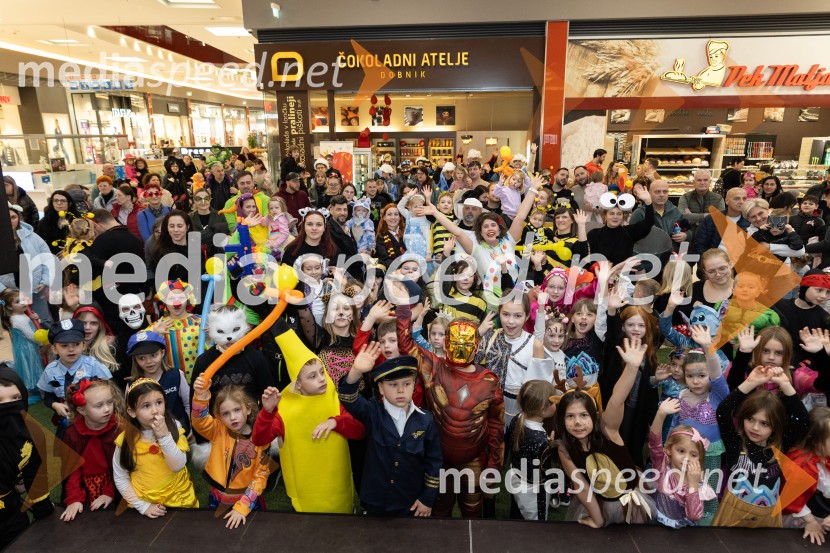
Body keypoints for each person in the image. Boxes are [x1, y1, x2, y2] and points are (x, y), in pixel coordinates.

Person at [394, 295, 504, 518]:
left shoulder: (489, 382)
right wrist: (403, 306)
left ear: (478, 343)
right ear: (446, 342)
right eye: (455, 342)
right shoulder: (434, 368)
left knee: (472, 510)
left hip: (474, 458)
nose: (461, 347)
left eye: (466, 342)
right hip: (439, 457)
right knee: (439, 508)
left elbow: (495, 423)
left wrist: (494, 463)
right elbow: (406, 344)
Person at [251, 319, 364, 513]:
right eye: (312, 376)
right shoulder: (284, 409)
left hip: (338, 486)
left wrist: (335, 422)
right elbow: (259, 439)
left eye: (322, 372)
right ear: (298, 383)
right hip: (306, 492)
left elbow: (359, 432)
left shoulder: (331, 396)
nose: (322, 379)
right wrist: (268, 412)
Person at [555, 337, 656, 527]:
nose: (577, 422)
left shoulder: (608, 429)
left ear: (594, 416)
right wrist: (598, 519)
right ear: (562, 420)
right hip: (600, 502)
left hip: (630, 500)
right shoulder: (565, 448)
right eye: (570, 417)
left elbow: (617, 399)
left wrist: (632, 368)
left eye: (584, 415)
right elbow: (582, 487)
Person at [339, 347, 443, 517]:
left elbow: (434, 462)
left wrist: (427, 498)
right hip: (376, 501)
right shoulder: (372, 412)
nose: (401, 390)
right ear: (380, 388)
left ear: (415, 386)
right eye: (393, 385)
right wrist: (355, 372)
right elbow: (348, 398)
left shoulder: (426, 420)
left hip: (410, 502)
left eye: (407, 384)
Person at [714, 366, 808, 527]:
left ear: (775, 426)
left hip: (767, 520)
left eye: (764, 423)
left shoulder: (779, 447)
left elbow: (803, 421)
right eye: (750, 419)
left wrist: (786, 386)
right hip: (731, 516)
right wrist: (750, 383)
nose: (755, 427)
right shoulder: (735, 443)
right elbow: (723, 412)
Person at [191, 377, 272, 529]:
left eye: (237, 410)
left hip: (248, 502)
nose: (233, 417)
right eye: (226, 414)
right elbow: (199, 422)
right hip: (217, 498)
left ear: (247, 409)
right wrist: (200, 397)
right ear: (219, 417)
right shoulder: (218, 430)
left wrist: (242, 507)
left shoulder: (261, 439)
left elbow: (260, 476)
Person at [113, 378, 199, 517]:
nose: (155, 411)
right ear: (132, 411)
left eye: (159, 403)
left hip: (179, 500)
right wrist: (142, 506)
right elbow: (120, 477)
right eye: (146, 406)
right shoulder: (125, 440)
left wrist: (164, 436)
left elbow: (177, 465)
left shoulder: (174, 427)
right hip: (145, 502)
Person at [0, 365, 53, 549]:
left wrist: (43, 511)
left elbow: (35, 473)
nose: (8, 405)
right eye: (0, 400)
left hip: (13, 515)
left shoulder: (31, 432)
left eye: (15, 398)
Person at [60, 379, 124, 522]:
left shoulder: (120, 429)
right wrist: (74, 498)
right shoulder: (72, 434)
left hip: (117, 485)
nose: (107, 409)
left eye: (109, 402)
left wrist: (110, 492)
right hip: (84, 490)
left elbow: (125, 467)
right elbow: (71, 470)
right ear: (82, 410)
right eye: (99, 405)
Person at [37, 319, 113, 436]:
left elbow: (110, 390)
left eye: (76, 344)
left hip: (93, 421)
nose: (71, 349)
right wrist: (55, 405)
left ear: (84, 345)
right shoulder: (50, 370)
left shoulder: (93, 366)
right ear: (54, 349)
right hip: (65, 422)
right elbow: (48, 396)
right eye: (64, 345)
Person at [648, 404, 715, 528]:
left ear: (699, 458)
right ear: (668, 449)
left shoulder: (698, 481)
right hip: (656, 524)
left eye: (693, 454)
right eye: (681, 451)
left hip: (682, 532)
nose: (686, 458)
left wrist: (693, 484)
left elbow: (694, 516)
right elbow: (654, 442)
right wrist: (660, 414)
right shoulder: (661, 467)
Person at [504, 379, 557, 521]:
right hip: (534, 492)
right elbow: (548, 472)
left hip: (515, 477)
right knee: (536, 526)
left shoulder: (517, 418)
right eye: (553, 402)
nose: (556, 404)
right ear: (542, 409)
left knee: (516, 513)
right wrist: (552, 447)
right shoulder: (541, 440)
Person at [86, 209, 146, 322]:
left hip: (109, 300)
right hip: (133, 295)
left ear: (96, 225)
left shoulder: (101, 241)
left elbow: (92, 271)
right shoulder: (135, 239)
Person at [128, 330, 191, 435]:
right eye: (142, 358)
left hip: (180, 433)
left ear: (162, 353)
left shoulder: (176, 375)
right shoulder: (132, 384)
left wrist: (192, 431)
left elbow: (189, 405)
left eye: (153, 355)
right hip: (148, 439)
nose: (148, 361)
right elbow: (131, 415)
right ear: (135, 359)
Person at [2, 202, 54, 327]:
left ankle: (48, 346)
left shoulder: (32, 237)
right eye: (5, 217)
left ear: (19, 218)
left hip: (35, 289)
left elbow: (47, 259)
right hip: (10, 294)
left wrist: (44, 281)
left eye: (13, 217)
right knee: (19, 326)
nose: (10, 221)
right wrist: (4, 290)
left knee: (44, 321)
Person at [784, 407, 830, 544]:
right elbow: (791, 497)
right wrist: (810, 521)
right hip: (800, 518)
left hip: (823, 517)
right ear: (815, 440)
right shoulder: (801, 463)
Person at [587, 183, 655, 265]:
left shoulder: (629, 232)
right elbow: (584, 255)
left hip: (622, 275)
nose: (615, 217)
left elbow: (649, 223)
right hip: (599, 276)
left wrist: (648, 202)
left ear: (623, 216)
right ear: (604, 216)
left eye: (619, 214)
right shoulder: (594, 234)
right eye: (611, 213)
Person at [0, 289, 45, 402]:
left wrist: (35, 318)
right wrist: (42, 343)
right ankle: (32, 389)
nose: (24, 302)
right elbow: (31, 335)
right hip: (27, 348)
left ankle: (31, 388)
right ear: (10, 307)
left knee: (26, 367)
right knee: (30, 367)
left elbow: (31, 326)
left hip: (22, 348)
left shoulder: (18, 317)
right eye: (18, 301)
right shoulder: (19, 319)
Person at [629, 179, 689, 252]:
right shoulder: (639, 213)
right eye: (657, 192)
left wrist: (686, 235)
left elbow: (687, 229)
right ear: (649, 193)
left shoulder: (675, 211)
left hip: (672, 256)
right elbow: (631, 239)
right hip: (650, 257)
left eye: (665, 192)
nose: (662, 195)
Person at [690, 187, 749, 255]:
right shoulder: (711, 219)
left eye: (744, 198)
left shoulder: (750, 221)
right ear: (726, 201)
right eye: (736, 198)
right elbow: (699, 244)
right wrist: (707, 262)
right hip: (714, 262)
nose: (741, 202)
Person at [190, 188, 229, 261]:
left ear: (210, 199)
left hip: (217, 258)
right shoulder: (189, 218)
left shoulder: (219, 216)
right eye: (199, 199)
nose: (203, 201)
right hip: (196, 259)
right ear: (194, 201)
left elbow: (224, 236)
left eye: (206, 198)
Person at [37, 190, 78, 255]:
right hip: (52, 255)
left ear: (69, 203)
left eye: (63, 201)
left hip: (75, 253)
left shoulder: (77, 218)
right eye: (56, 200)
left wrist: (70, 249)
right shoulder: (45, 221)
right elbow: (39, 241)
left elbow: (86, 238)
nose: (59, 203)